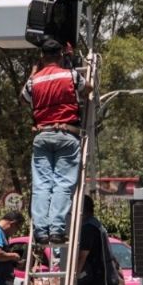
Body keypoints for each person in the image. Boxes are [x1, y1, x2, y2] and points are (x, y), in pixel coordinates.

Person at [21, 37, 92, 245]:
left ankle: (41, 231)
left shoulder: (35, 80)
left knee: (42, 185)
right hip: (66, 134)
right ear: (60, 55)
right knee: (62, 184)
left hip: (42, 135)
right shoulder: (69, 75)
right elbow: (87, 89)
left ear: (42, 57)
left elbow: (23, 97)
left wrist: (33, 73)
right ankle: (56, 230)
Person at [76, 195, 119, 285]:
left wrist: (73, 278)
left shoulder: (88, 227)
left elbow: (82, 256)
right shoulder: (96, 225)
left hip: (98, 284)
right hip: (96, 283)